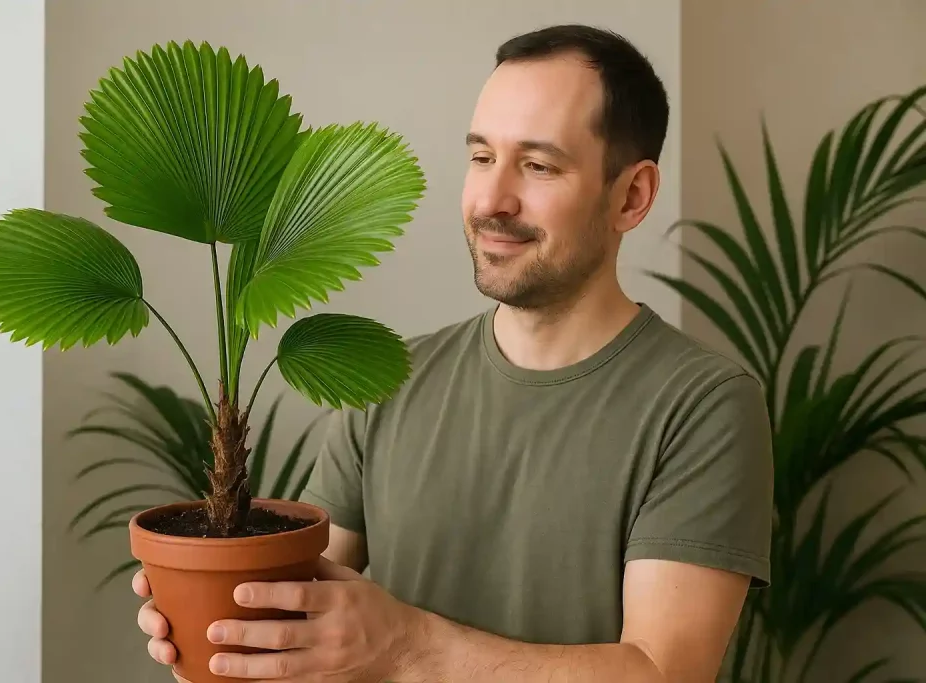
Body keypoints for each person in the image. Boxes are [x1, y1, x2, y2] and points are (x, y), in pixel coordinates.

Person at [133, 23, 774, 682]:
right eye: (482, 157)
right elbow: (309, 617)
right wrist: (223, 628)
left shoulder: (703, 404)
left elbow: (664, 671)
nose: (491, 201)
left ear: (631, 196)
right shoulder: (389, 379)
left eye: (538, 165)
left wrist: (408, 646)